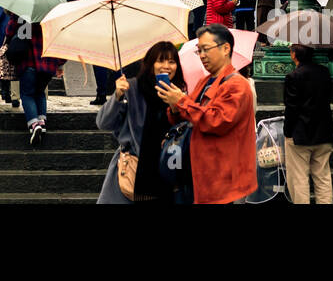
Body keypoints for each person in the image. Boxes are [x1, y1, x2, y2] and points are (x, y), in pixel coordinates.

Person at [155, 23, 257, 204]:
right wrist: (175, 106)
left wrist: (181, 101)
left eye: (206, 49)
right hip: (201, 173)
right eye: (198, 50)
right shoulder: (206, 80)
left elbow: (216, 121)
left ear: (226, 48)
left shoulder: (237, 85)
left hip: (222, 177)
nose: (202, 55)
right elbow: (187, 116)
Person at [96, 41, 185, 203]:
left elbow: (184, 133)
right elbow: (103, 123)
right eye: (160, 61)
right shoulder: (132, 88)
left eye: (171, 62)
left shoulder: (179, 93)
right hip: (133, 170)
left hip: (169, 169)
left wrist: (178, 106)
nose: (166, 66)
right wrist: (117, 96)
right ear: (151, 64)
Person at [283, 43, 333, 204]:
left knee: (299, 179)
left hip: (300, 133)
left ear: (294, 55)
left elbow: (291, 108)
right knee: (323, 178)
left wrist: (287, 132)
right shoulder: (324, 73)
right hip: (323, 131)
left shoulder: (293, 77)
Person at [6, 14, 62, 145]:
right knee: (40, 92)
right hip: (47, 63)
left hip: (28, 62)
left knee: (27, 94)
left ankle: (34, 124)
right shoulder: (50, 16)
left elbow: (8, 32)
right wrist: (60, 63)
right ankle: (42, 122)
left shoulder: (20, 13)